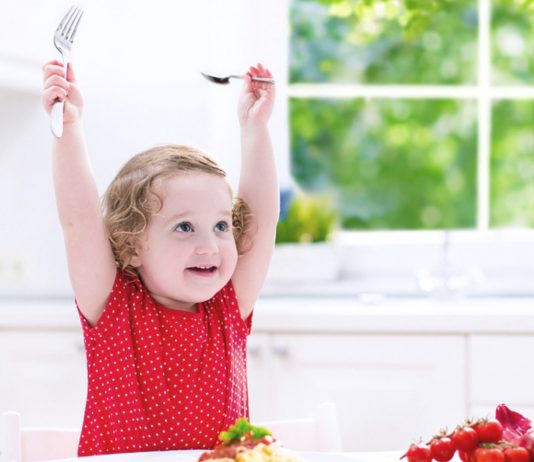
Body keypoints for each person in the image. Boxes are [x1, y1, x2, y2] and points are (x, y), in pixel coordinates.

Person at [41, 60, 278, 455]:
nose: (211, 245)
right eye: (185, 227)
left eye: (221, 226)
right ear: (133, 245)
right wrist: (68, 127)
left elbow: (262, 220)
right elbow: (79, 222)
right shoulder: (114, 308)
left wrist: (255, 128)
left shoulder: (227, 307)